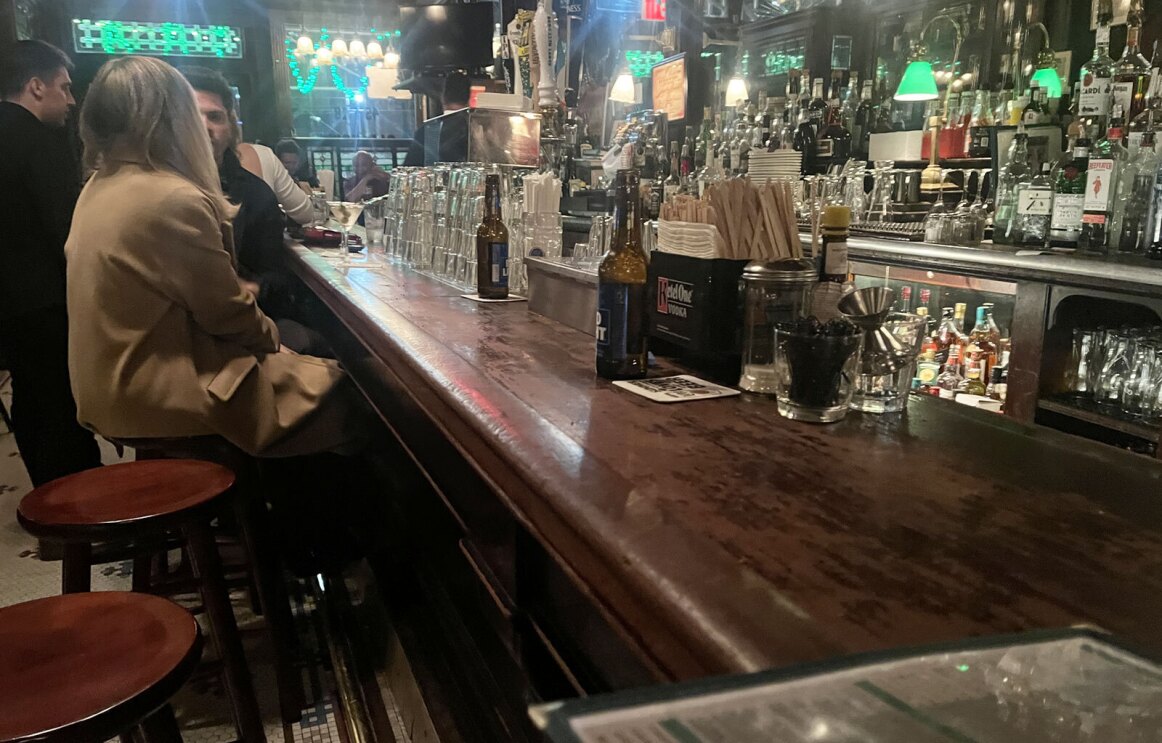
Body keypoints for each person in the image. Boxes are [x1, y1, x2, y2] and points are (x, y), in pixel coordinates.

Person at [67, 56, 362, 458]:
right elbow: (226, 313)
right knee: (365, 402)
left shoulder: (99, 185)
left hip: (110, 388)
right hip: (163, 394)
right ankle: (301, 517)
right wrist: (274, 340)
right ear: (170, 117)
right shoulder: (171, 196)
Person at [0, 40, 101, 487]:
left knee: (29, 394)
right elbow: (67, 230)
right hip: (45, 297)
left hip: (8, 300)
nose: (71, 99)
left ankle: (48, 494)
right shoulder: (39, 141)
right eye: (65, 87)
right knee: (61, 399)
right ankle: (81, 504)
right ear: (36, 87)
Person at [237, 140, 314, 225]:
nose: (291, 167)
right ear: (279, 161)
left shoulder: (304, 176)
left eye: (294, 163)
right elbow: (305, 213)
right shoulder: (264, 155)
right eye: (287, 163)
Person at [403, 72, 471, 167]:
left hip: (434, 180)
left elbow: (409, 169)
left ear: (443, 97)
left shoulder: (427, 131)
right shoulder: (476, 129)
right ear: (468, 100)